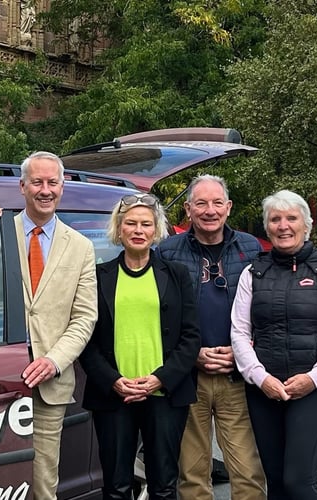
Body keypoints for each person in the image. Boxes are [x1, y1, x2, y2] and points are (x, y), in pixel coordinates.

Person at [0, 151, 98, 500]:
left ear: (63, 186)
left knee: (44, 476)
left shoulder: (81, 247)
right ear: (23, 187)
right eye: (37, 182)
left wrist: (54, 361)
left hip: (50, 379)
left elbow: (84, 318)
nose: (45, 190)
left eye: (52, 182)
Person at [230, 190, 317, 500]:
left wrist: (313, 378)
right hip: (265, 390)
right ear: (267, 226)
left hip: (315, 390)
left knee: (298, 484)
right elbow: (239, 332)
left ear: (306, 225)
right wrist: (262, 378)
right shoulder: (253, 273)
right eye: (275, 219)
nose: (283, 225)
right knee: (276, 485)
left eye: (291, 218)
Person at [79, 193, 201, 499]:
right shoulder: (98, 277)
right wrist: (113, 381)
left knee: (163, 485)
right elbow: (87, 341)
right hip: (114, 394)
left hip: (163, 393)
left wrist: (161, 378)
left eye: (146, 224)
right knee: (117, 487)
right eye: (130, 223)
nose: (138, 230)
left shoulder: (176, 275)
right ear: (118, 229)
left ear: (156, 230)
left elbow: (191, 336)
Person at [157, 174, 265, 499]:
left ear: (228, 207)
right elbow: (160, 316)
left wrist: (244, 351)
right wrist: (192, 354)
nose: (210, 210)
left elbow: (264, 308)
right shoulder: (167, 251)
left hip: (237, 375)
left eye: (217, 202)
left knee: (247, 472)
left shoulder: (250, 247)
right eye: (201, 203)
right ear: (188, 209)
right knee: (192, 475)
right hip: (190, 377)